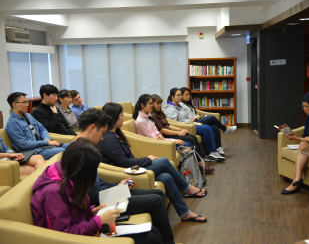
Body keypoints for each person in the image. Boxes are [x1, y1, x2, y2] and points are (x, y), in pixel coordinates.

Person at [31, 138, 165, 243]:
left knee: (152, 231)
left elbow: (74, 213)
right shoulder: (52, 192)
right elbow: (61, 234)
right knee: (149, 239)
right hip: (79, 237)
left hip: (87, 228)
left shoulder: (68, 176)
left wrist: (91, 211)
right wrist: (98, 221)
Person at [75, 108, 175, 244]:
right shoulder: (79, 154)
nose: (103, 138)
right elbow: (91, 194)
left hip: (101, 198)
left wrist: (118, 186)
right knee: (156, 202)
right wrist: (115, 189)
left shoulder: (83, 149)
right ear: (93, 128)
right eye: (102, 133)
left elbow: (95, 184)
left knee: (157, 194)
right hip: (100, 203)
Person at [98, 102, 208, 223]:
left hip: (132, 168)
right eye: (121, 115)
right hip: (124, 173)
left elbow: (127, 158)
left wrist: (144, 160)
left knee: (166, 177)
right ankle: (187, 188)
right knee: (164, 162)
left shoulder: (115, 134)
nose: (123, 117)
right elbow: (124, 162)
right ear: (113, 117)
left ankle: (185, 213)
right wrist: (147, 159)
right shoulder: (109, 138)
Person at [151, 94, 214, 173]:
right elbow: (162, 130)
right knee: (191, 140)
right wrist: (178, 133)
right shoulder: (153, 115)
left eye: (160, 103)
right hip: (166, 134)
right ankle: (200, 163)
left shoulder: (159, 113)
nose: (160, 105)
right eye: (157, 103)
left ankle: (202, 161)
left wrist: (181, 129)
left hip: (171, 132)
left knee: (193, 137)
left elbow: (168, 125)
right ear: (152, 104)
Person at [164, 88, 225, 161]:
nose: (180, 97)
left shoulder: (179, 106)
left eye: (181, 95)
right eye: (178, 95)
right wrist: (189, 122)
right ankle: (208, 154)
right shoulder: (170, 109)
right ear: (172, 97)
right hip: (185, 126)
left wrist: (191, 120)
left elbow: (185, 118)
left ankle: (213, 152)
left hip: (189, 123)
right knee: (205, 129)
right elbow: (174, 123)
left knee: (209, 127)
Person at [5, 92, 67, 160]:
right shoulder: (12, 123)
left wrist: (46, 139)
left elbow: (42, 128)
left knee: (73, 146)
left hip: (43, 147)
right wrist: (46, 142)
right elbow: (23, 144)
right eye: (24, 102)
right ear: (14, 104)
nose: (27, 105)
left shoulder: (28, 115)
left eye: (27, 102)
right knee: (63, 151)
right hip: (31, 152)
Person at [180, 87, 237, 156]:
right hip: (193, 122)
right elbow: (185, 118)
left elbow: (192, 114)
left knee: (215, 127)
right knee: (211, 117)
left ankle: (219, 147)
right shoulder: (181, 105)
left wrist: (198, 116)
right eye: (186, 94)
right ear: (181, 95)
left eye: (189, 94)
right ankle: (225, 129)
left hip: (196, 119)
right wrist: (195, 118)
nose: (188, 96)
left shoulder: (188, 104)